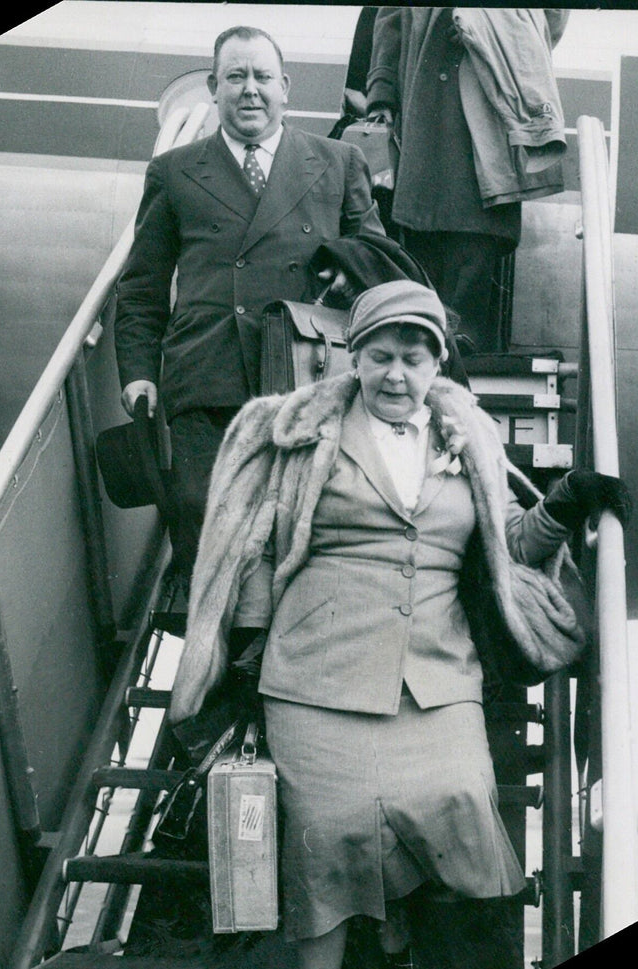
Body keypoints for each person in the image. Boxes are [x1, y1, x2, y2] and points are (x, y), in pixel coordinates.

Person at [168, 280, 631, 969]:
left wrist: (562, 504)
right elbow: (255, 547)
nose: (394, 374)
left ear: (436, 362)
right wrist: (243, 658)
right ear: (354, 357)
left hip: (436, 674)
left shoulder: (470, 434)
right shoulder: (306, 432)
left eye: (411, 358)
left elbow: (502, 545)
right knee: (325, 845)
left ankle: (393, 933)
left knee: (456, 806)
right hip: (316, 674)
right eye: (378, 355)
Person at [114, 25, 385, 576]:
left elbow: (378, 267)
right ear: (214, 88)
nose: (250, 89)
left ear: (285, 86)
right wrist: (138, 372)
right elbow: (142, 287)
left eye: (262, 76)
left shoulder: (337, 162)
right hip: (204, 377)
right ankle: (222, 652)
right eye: (235, 77)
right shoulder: (175, 171)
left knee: (300, 527)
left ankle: (274, 654)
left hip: (305, 374)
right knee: (201, 515)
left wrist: (345, 270)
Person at [365, 8, 569, 353]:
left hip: (485, 91)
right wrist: (382, 91)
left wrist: (492, 24)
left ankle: (464, 340)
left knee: (478, 233)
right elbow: (391, 20)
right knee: (420, 237)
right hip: (424, 99)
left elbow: (551, 17)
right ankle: (428, 340)